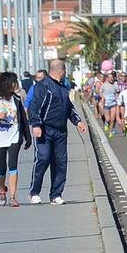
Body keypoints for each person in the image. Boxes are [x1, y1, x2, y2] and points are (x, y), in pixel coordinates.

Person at [27, 59, 87, 205]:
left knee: (60, 162)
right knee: (43, 158)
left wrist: (77, 121)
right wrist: (36, 125)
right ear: (60, 71)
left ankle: (56, 194)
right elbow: (34, 107)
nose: (65, 73)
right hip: (45, 130)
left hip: (60, 132)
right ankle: (34, 192)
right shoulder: (43, 86)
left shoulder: (63, 88)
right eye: (65, 70)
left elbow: (69, 108)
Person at [0, 71, 31, 209]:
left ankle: (12, 197)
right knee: (1, 168)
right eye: (13, 82)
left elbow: (23, 119)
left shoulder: (16, 99)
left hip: (14, 136)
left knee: (13, 165)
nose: (15, 85)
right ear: (5, 84)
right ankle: (1, 189)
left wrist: (27, 138)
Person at [100, 70, 121, 136]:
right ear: (107, 78)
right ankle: (106, 123)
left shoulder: (115, 84)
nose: (111, 79)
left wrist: (117, 95)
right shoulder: (104, 85)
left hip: (113, 104)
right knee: (108, 119)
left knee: (113, 119)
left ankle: (110, 131)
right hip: (106, 104)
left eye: (112, 77)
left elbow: (118, 91)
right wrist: (103, 97)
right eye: (109, 77)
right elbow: (99, 91)